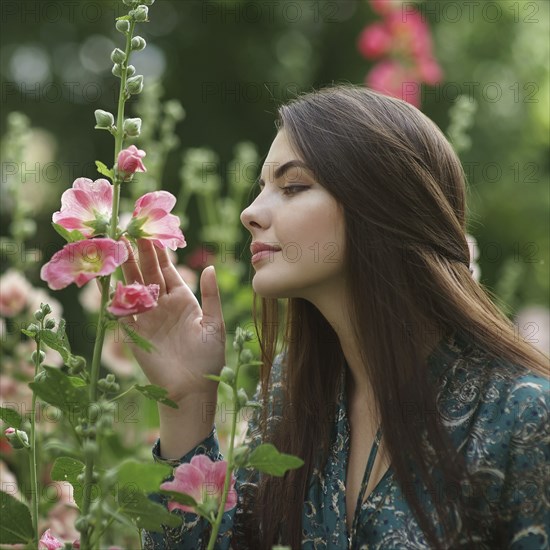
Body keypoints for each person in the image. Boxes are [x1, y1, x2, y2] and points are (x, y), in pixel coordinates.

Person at [116, 85, 549, 549]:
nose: (250, 213)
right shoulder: (290, 393)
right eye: (262, 188)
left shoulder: (522, 414)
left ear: (384, 206)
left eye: (294, 186)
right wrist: (185, 399)